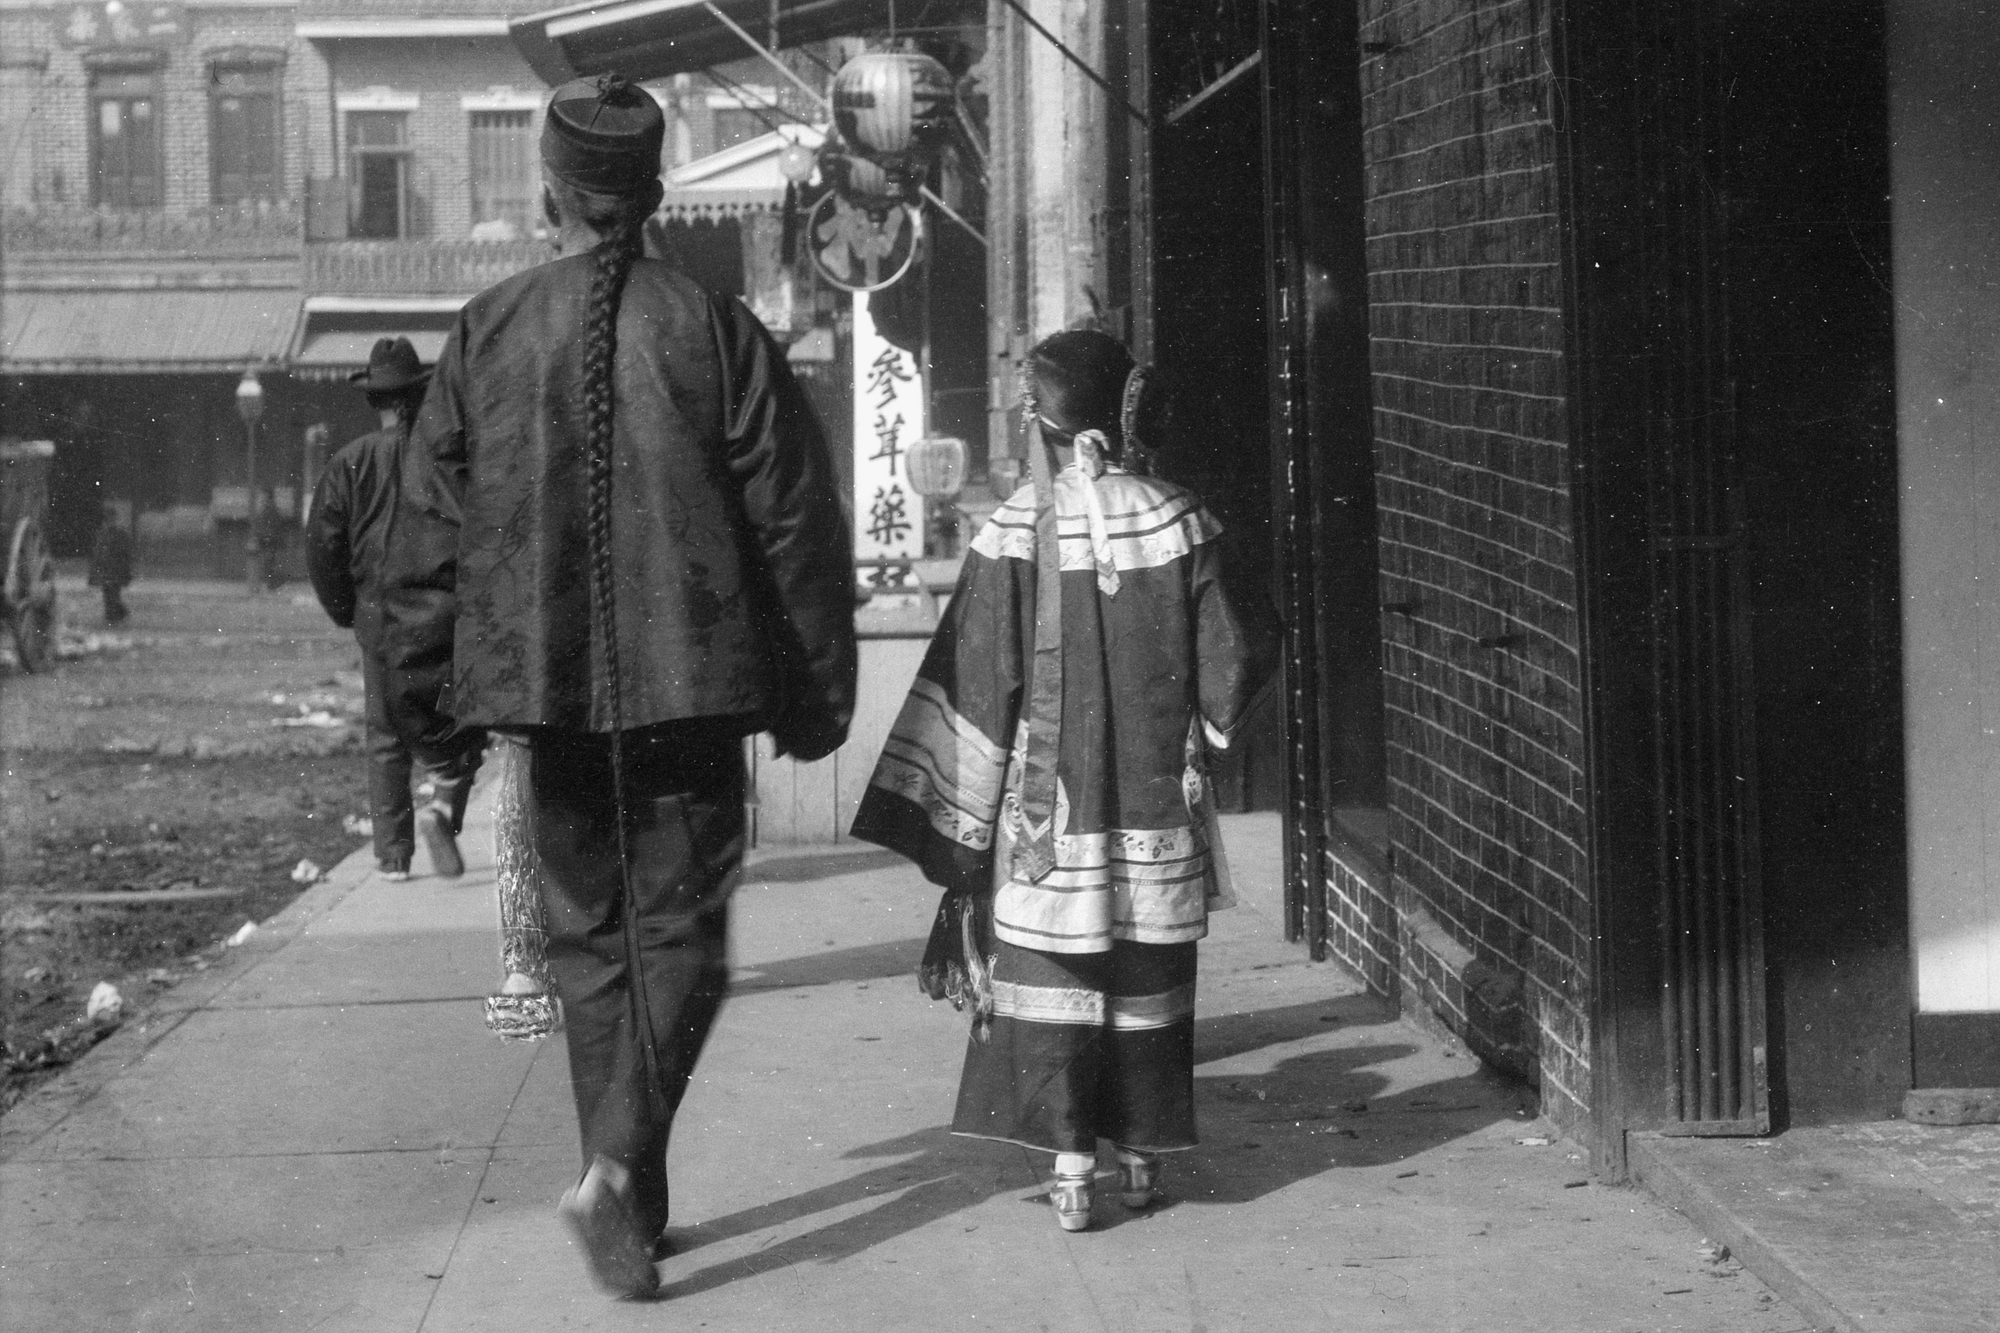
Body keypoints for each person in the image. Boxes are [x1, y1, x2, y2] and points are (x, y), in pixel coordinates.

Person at [377, 74, 855, 1299]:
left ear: (550, 192)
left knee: (593, 945)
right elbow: (794, 522)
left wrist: (429, 706)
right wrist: (816, 691)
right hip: (697, 687)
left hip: (541, 694)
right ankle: (617, 1181)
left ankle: (626, 1201)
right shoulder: (715, 325)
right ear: (647, 199)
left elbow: (424, 541)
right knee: (684, 941)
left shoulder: (486, 328)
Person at [852, 329, 1253, 1234]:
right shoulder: (1180, 518)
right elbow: (1239, 654)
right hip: (1154, 804)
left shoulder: (1012, 532)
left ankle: (1072, 1165)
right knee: (1147, 965)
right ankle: (1143, 1155)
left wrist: (958, 822)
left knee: (1054, 970)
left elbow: (978, 687)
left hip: (1049, 816)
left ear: (1043, 418)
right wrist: (1202, 732)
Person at [305, 337, 484, 882]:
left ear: (373, 401)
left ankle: (393, 855)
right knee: (461, 721)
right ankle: (444, 808)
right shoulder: (445, 458)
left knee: (385, 732)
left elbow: (322, 548)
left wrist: (347, 610)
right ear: (421, 393)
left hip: (377, 613)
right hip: (443, 609)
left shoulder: (349, 463)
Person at [87, 504, 132, 625]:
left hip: (115, 569)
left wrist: (124, 570)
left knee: (113, 593)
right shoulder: (102, 534)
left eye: (111, 518)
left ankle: (114, 615)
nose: (110, 521)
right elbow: (97, 553)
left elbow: (124, 553)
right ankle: (112, 615)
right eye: (108, 518)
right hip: (106, 569)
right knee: (108, 593)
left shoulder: (120, 534)